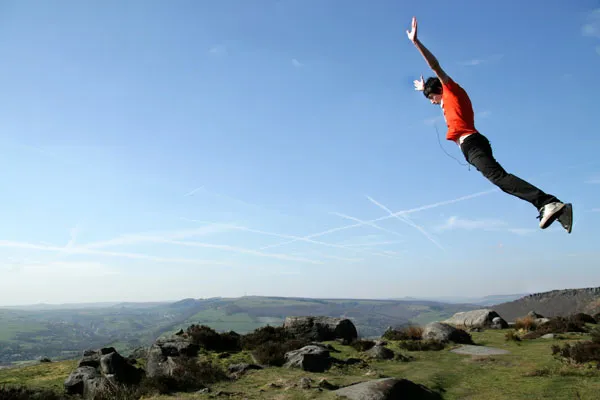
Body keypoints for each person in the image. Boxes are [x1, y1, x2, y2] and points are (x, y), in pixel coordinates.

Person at [405, 16, 572, 233]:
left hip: (472, 143)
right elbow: (436, 93)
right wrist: (423, 88)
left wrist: (417, 43)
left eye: (431, 98)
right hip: (471, 145)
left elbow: (435, 66)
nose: (433, 103)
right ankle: (549, 204)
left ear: (438, 92)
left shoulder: (451, 90)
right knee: (499, 179)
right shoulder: (446, 100)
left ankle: (547, 202)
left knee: (500, 178)